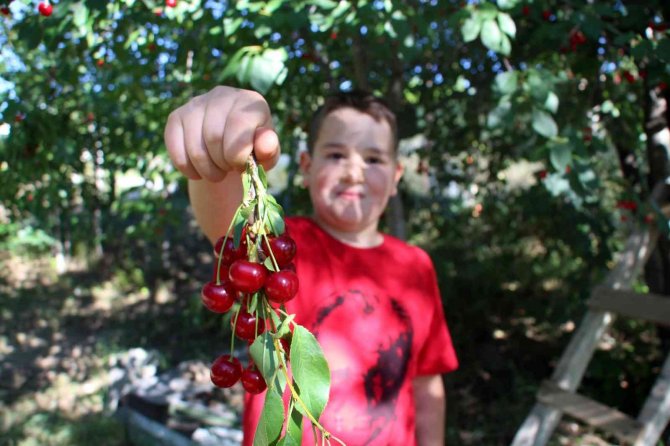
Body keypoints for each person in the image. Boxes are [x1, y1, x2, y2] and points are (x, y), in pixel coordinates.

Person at [164, 86, 459, 446]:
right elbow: (225, 211)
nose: (354, 173)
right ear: (306, 166)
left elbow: (427, 382)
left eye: (374, 160)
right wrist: (225, 140)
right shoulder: (279, 250)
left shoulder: (415, 266)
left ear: (397, 175)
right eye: (336, 155)